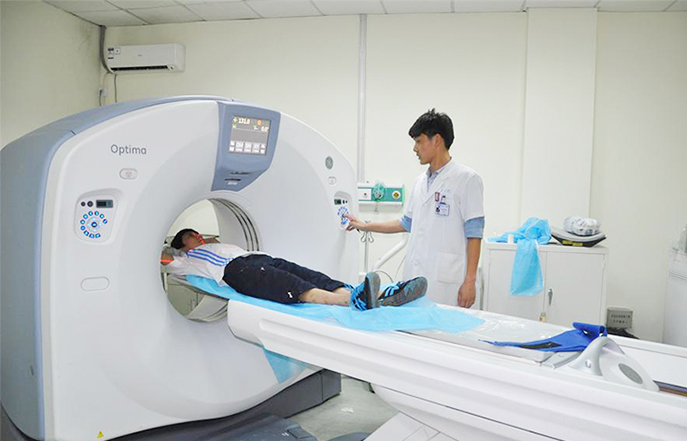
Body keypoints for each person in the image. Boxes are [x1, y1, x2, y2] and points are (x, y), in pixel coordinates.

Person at [346, 109, 484, 308]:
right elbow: (405, 223)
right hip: (415, 273)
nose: (415, 148)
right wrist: (366, 226)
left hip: (447, 280)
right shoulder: (420, 182)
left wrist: (470, 281)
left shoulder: (467, 179)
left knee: (442, 324)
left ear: (437, 140)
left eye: (419, 141)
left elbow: (475, 233)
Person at [161, 228, 427, 310]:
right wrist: (172, 252)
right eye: (190, 238)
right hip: (237, 271)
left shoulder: (220, 244)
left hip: (260, 259)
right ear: (183, 247)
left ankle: (379, 295)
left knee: (314, 277)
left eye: (195, 234)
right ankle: (354, 302)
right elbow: (166, 261)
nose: (196, 238)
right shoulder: (188, 260)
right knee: (296, 287)